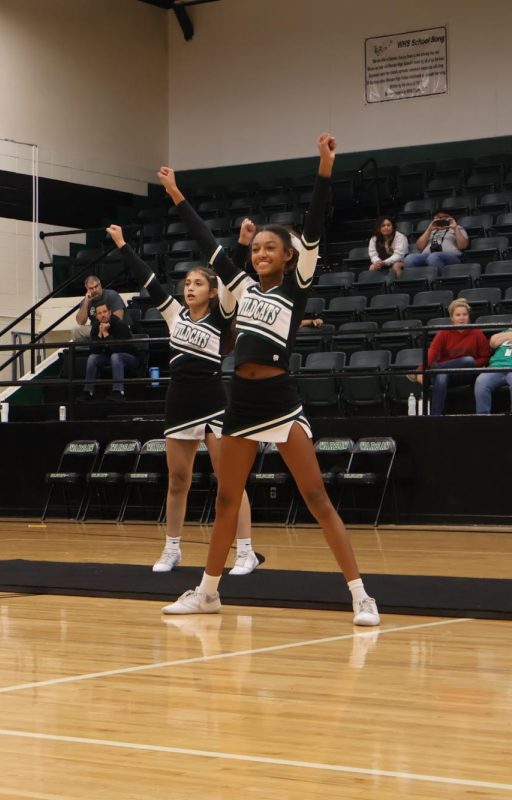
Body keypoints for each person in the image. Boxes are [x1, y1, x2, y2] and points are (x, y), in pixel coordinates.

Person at [156, 133, 380, 627]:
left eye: (269, 248)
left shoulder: (298, 287)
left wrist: (325, 166)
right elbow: (206, 241)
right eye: (255, 248)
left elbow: (315, 221)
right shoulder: (237, 287)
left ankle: (361, 595)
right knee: (226, 499)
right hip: (241, 400)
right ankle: (209, 592)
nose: (259, 254)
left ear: (287, 256)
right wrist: (176, 194)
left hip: (280, 398)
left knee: (317, 498)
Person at [107, 224, 259, 575]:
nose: (190, 288)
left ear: (212, 290)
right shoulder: (174, 315)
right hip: (179, 401)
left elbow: (227, 273)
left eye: (198, 283)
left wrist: (241, 243)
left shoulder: (222, 316)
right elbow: (147, 279)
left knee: (229, 479)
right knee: (178, 480)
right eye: (187, 283)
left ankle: (246, 550)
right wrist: (122, 244)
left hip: (213, 399)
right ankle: (172, 548)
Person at [417, 298, 488, 416]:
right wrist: (421, 370)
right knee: (442, 375)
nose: (461, 318)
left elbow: (485, 357)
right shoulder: (444, 333)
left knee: (468, 360)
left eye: (464, 314)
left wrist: (472, 364)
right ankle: (435, 417)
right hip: (448, 374)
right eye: (458, 315)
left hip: (467, 374)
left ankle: (435, 369)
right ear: (452, 318)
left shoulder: (477, 333)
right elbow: (432, 352)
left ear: (468, 316)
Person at [82, 298, 139, 400]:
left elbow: (118, 349)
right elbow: (93, 351)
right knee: (92, 358)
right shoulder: (96, 327)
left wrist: (106, 334)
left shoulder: (119, 324)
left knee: (115, 356)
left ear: (110, 312)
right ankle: (88, 392)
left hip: (130, 358)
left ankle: (118, 392)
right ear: (96, 316)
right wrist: (99, 336)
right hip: (109, 357)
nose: (103, 315)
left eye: (104, 312)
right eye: (99, 313)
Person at [405, 210, 469, 274]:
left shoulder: (457, 228)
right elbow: (419, 247)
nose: (441, 219)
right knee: (409, 259)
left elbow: (463, 246)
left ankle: (443, 279)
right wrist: (429, 230)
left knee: (433, 257)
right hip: (428, 256)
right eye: (438, 217)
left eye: (444, 217)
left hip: (452, 256)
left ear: (450, 218)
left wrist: (455, 228)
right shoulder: (431, 230)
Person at [73, 274, 126, 340]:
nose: (95, 290)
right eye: (91, 288)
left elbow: (119, 318)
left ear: (100, 284)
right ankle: (82, 349)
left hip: (112, 327)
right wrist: (86, 302)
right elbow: (80, 322)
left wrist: (104, 327)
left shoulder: (111, 295)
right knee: (76, 330)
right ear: (87, 289)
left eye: (96, 286)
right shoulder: (86, 301)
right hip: (96, 329)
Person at [475, 324, 512, 414]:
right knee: (481, 381)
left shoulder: (501, 336)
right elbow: (493, 343)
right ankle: (483, 420)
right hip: (496, 366)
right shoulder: (499, 334)